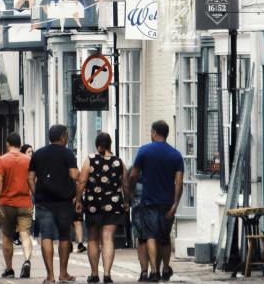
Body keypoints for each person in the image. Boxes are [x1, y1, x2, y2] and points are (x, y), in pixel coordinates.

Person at [128, 120, 184, 282]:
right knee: (165, 238)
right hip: (167, 202)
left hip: (149, 201)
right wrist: (175, 205)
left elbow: (133, 175)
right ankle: (165, 268)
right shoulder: (175, 155)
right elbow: (179, 183)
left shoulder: (144, 151)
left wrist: (131, 192)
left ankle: (154, 272)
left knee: (151, 236)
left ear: (154, 132)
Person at [28, 125, 80, 284]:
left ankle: (50, 276)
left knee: (46, 236)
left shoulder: (38, 153)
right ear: (63, 137)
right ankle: (63, 274)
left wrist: (36, 193)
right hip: (64, 201)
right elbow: (74, 175)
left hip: (44, 200)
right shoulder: (67, 153)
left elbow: (30, 178)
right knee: (64, 237)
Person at [76, 132, 128, 283]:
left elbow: (82, 182)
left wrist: (78, 200)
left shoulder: (90, 160)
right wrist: (126, 201)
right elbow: (125, 184)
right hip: (113, 204)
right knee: (108, 239)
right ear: (110, 144)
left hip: (93, 204)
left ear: (97, 144)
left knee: (92, 238)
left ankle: (94, 274)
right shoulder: (118, 162)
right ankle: (107, 274)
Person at [0, 133, 34, 279]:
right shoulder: (28, 160)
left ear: (7, 144)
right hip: (25, 203)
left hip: (7, 204)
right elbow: (31, 180)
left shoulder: (2, 160)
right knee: (25, 234)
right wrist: (35, 196)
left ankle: (9, 269)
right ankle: (27, 260)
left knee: (7, 236)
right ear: (20, 144)